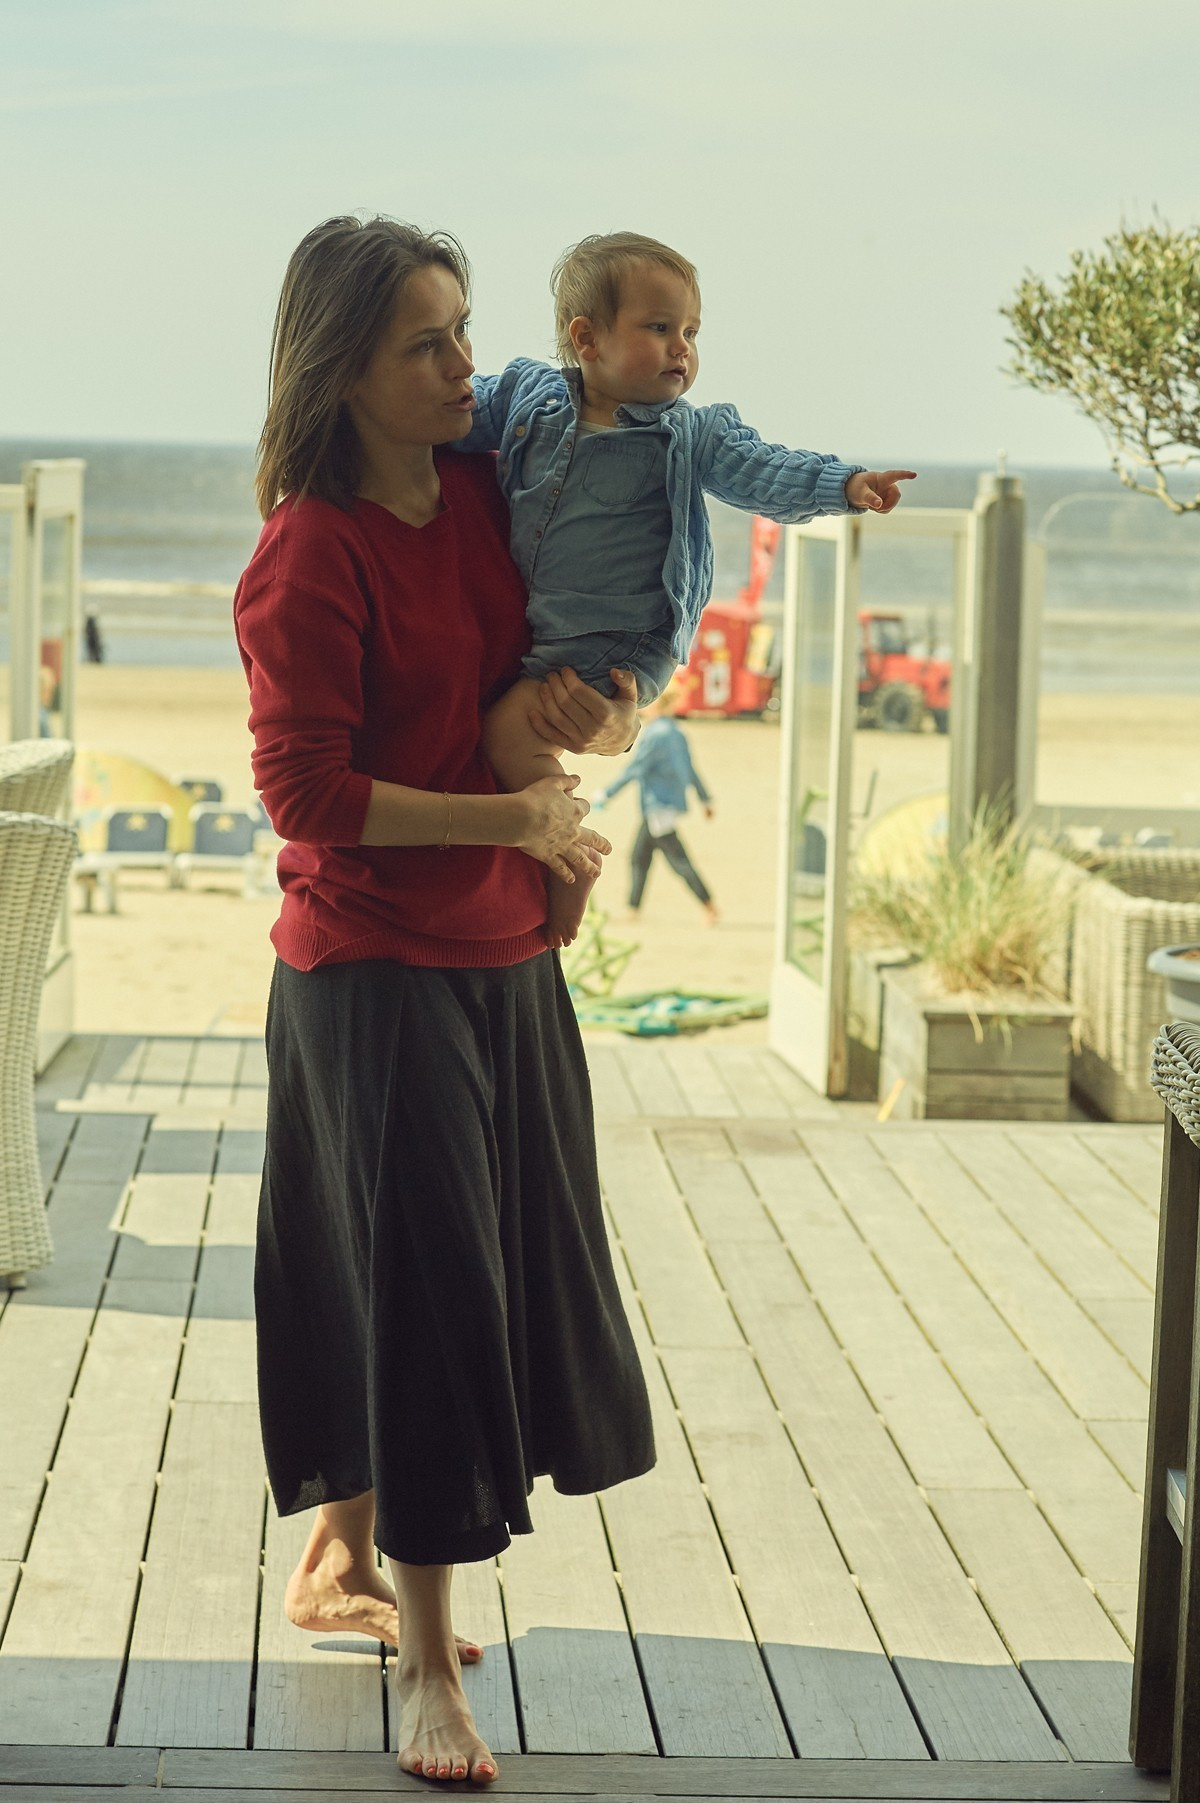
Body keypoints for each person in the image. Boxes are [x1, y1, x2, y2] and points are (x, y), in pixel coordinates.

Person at [233, 216, 656, 1788]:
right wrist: (512, 822)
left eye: (468, 330)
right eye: (429, 343)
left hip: (507, 955)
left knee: (459, 1274)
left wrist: (599, 715)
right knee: (424, 1300)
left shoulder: (488, 491)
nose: (468, 367)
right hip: (372, 974)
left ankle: (333, 1560)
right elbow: (309, 791)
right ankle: (424, 1661)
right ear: (344, 369)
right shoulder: (306, 552)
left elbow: (572, 641)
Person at [459, 230, 916, 944]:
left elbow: (763, 469)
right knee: (501, 734)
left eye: (692, 332)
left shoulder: (690, 435)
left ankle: (565, 853)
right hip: (552, 630)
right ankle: (555, 841)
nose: (683, 349)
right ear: (587, 338)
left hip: (625, 640)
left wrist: (846, 485)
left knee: (505, 731)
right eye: (660, 328)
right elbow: (457, 411)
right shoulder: (528, 398)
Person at [593, 677, 718, 924]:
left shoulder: (655, 736)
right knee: (640, 856)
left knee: (678, 860)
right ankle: (633, 909)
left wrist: (606, 794)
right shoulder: (677, 732)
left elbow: (635, 769)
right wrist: (705, 800)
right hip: (664, 806)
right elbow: (690, 769)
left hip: (657, 808)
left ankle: (709, 905)